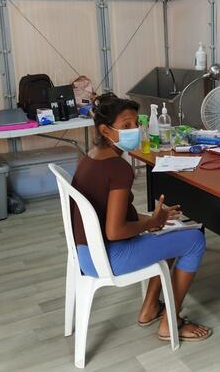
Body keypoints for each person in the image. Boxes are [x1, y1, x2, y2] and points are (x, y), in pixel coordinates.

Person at [71, 93, 212, 341]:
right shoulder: (118, 168)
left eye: (137, 124)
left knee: (168, 232)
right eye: (126, 126)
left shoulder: (90, 158)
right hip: (109, 256)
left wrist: (152, 220)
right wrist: (150, 222)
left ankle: (150, 309)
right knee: (194, 240)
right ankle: (171, 322)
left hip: (87, 253)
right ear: (105, 130)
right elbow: (115, 231)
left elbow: (110, 212)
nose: (135, 130)